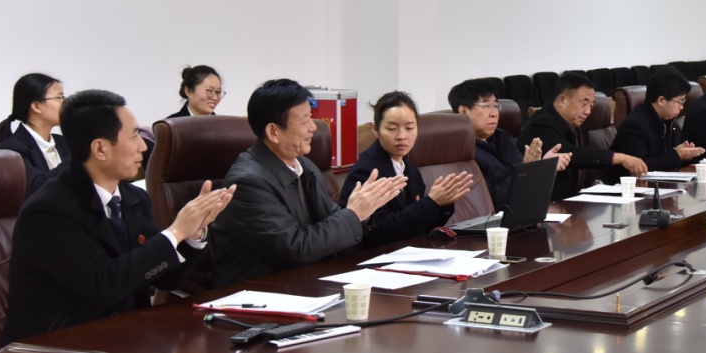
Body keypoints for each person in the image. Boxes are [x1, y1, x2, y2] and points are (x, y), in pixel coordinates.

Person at [3, 89, 234, 353]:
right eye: (132, 136)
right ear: (100, 148)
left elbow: (165, 279)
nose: (143, 146)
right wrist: (174, 232)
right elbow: (105, 283)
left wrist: (195, 234)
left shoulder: (131, 197)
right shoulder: (50, 210)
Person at [210, 79, 406, 287]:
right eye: (304, 121)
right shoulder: (248, 183)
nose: (313, 127)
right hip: (256, 292)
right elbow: (296, 248)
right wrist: (354, 214)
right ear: (274, 132)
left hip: (306, 282)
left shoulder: (304, 165)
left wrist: (363, 211)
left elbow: (329, 222)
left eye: (311, 117)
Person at [338, 91, 474, 241]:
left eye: (409, 128)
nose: (401, 136)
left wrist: (442, 203)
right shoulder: (367, 170)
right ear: (376, 130)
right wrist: (431, 202)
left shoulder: (410, 169)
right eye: (391, 129)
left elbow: (421, 225)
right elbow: (377, 231)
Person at [518, 71, 646, 200]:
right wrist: (618, 157)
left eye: (591, 105)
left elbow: (586, 166)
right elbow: (572, 154)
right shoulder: (541, 125)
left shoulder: (575, 124)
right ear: (562, 100)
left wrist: (597, 185)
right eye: (584, 104)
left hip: (577, 200)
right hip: (552, 203)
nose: (588, 112)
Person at [448, 78, 570, 208]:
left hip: (526, 211)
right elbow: (492, 199)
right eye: (486, 106)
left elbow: (529, 187)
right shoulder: (461, 151)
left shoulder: (503, 138)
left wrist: (544, 166)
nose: (494, 113)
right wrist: (527, 169)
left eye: (496, 106)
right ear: (463, 111)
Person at [610, 66, 705, 178]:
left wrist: (686, 155)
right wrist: (677, 155)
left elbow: (670, 159)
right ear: (661, 100)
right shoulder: (635, 125)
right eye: (680, 101)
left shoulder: (670, 122)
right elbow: (641, 166)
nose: (682, 107)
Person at [0, 73, 69, 196]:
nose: (65, 104)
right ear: (36, 106)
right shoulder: (12, 150)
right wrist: (77, 157)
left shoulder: (64, 142)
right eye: (59, 98)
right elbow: (38, 189)